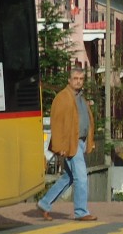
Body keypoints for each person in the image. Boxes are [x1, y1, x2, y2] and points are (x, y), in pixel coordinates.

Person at [38, 66, 97, 221]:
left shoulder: (80, 97)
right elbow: (56, 124)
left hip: (80, 142)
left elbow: (86, 120)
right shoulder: (62, 97)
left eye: (81, 79)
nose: (78, 82)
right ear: (69, 80)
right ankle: (81, 212)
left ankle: (44, 203)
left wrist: (90, 140)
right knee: (81, 177)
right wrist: (59, 146)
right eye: (75, 79)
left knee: (68, 177)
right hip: (71, 143)